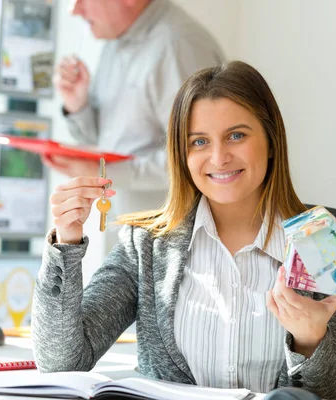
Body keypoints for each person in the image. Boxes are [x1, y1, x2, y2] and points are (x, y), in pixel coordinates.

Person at [33, 61, 336, 400]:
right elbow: (60, 363)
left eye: (236, 136)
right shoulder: (145, 244)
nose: (218, 158)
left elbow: (334, 396)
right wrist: (65, 243)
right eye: (199, 141)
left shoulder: (322, 240)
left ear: (272, 141)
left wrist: (309, 340)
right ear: (182, 155)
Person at [44, 0, 224, 281]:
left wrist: (105, 173)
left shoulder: (177, 44)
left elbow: (201, 158)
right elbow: (105, 140)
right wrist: (77, 106)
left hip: (178, 258)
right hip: (131, 244)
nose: (74, 10)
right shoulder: (115, 42)